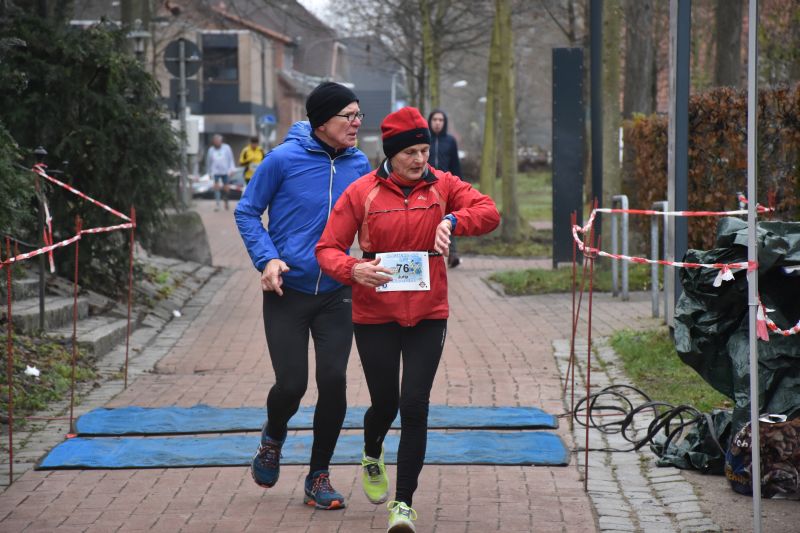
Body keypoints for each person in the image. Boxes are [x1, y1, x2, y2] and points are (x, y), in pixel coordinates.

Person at [316, 106, 500, 532]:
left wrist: (454, 219)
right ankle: (372, 450)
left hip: (428, 313)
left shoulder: (443, 185)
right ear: (391, 153)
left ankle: (403, 505)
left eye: (424, 151)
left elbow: (489, 212)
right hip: (375, 314)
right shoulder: (362, 192)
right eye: (410, 153)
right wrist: (354, 270)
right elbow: (327, 249)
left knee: (414, 405)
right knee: (385, 404)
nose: (420, 160)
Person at [234, 82, 371, 510]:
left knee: (333, 381)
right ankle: (273, 437)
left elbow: (373, 219)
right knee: (292, 384)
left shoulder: (360, 163)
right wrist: (267, 259)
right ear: (322, 121)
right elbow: (247, 211)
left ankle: (318, 475)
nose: (357, 123)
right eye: (348, 115)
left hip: (336, 290)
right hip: (287, 289)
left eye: (359, 114)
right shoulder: (282, 159)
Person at [427, 109, 464, 267]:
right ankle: (428, 253)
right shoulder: (425, 139)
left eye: (440, 120)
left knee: (448, 218)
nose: (437, 123)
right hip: (426, 185)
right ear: (430, 121)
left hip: (446, 186)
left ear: (444, 122)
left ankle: (453, 253)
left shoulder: (450, 141)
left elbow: (455, 164)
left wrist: (459, 186)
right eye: (435, 119)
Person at [205, 133, 236, 211]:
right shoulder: (211, 150)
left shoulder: (226, 148)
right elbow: (208, 162)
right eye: (215, 141)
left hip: (225, 171)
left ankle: (226, 200)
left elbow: (231, 159)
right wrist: (209, 172)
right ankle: (218, 204)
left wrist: (232, 169)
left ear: (221, 141)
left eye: (218, 141)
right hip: (215, 171)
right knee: (216, 187)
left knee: (226, 188)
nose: (217, 142)